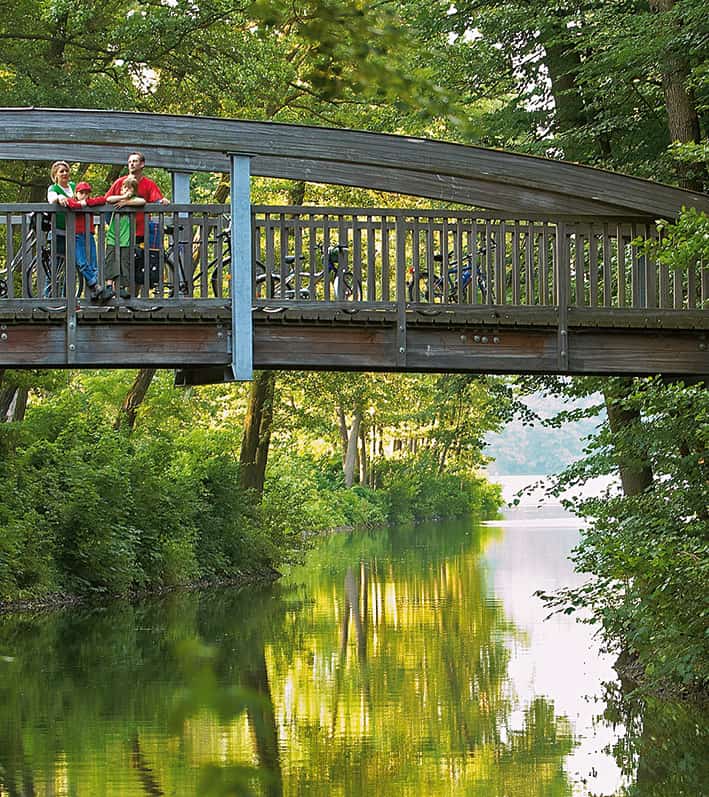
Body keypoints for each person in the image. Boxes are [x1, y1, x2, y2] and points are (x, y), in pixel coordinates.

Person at [105, 151, 170, 298]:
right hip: (120, 234)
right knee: (117, 262)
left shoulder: (148, 184)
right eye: (129, 162)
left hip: (140, 233)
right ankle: (116, 298)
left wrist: (162, 201)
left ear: (142, 164)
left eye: (135, 161)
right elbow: (106, 200)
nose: (131, 164)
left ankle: (133, 300)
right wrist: (111, 223)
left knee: (138, 267)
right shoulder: (119, 182)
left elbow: (155, 199)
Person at [65, 181, 142, 302]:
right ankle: (96, 286)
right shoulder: (72, 200)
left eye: (87, 193)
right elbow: (71, 205)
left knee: (94, 264)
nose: (84, 195)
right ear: (76, 193)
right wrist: (83, 204)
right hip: (77, 235)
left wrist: (126, 201)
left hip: (90, 234)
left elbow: (102, 200)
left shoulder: (90, 202)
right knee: (82, 263)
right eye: (81, 193)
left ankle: (98, 292)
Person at [103, 176, 147, 298]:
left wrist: (127, 202)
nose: (126, 190)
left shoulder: (133, 200)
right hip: (113, 237)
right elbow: (108, 199)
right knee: (111, 261)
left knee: (124, 263)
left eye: (129, 188)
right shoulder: (116, 199)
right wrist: (122, 198)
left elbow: (142, 202)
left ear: (134, 190)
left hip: (126, 239)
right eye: (124, 187)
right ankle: (108, 286)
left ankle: (121, 287)